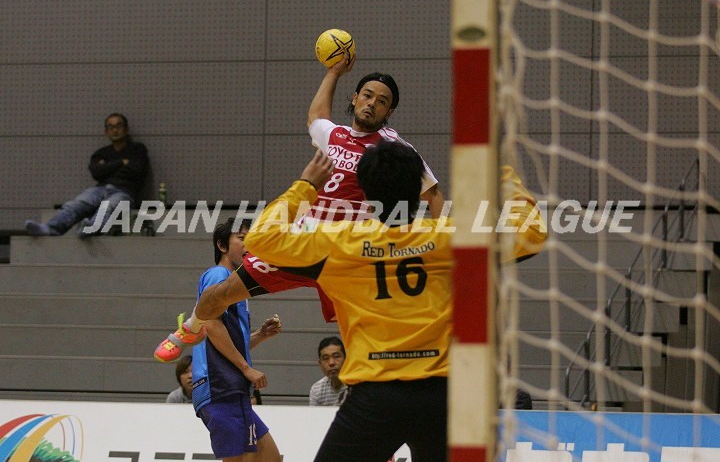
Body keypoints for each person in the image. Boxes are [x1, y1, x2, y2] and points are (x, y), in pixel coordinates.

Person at [245, 143, 545, 461]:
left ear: (364, 190)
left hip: (375, 397)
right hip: (443, 397)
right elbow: (532, 233)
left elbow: (260, 238)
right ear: (418, 188)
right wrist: (503, 172)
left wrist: (306, 186)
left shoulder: (339, 241)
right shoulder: (451, 235)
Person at [154, 54, 445, 362]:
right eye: (367, 95)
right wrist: (333, 72)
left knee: (364, 328)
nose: (372, 104)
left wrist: (437, 243)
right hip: (302, 242)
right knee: (220, 294)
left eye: (382, 101)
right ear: (355, 97)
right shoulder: (334, 135)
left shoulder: (393, 148)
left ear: (389, 112)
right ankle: (190, 328)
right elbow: (316, 116)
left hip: (346, 251)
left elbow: (434, 195)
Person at [191, 217, 282, 462]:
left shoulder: (238, 290)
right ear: (222, 245)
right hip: (219, 387)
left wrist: (260, 335)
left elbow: (228, 341)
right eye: (241, 238)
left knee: (270, 458)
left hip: (233, 389)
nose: (249, 244)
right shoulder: (219, 274)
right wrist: (246, 368)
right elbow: (211, 324)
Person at [24, 113, 149, 237]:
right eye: (110, 127)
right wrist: (122, 162)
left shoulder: (138, 149)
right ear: (106, 131)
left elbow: (136, 171)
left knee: (109, 206)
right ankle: (50, 228)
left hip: (124, 192)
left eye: (118, 126)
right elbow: (96, 172)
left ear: (126, 129)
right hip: (100, 189)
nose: (115, 130)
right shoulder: (101, 153)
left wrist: (107, 167)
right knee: (77, 203)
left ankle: (90, 229)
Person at [309, 336, 347, 406]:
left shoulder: (356, 387)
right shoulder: (317, 389)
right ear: (320, 363)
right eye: (325, 358)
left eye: (336, 356)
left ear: (346, 359)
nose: (331, 363)